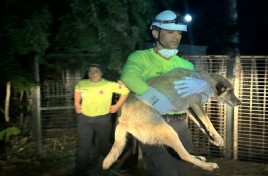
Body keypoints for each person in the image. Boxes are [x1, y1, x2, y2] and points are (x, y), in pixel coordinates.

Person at [120, 10, 210, 176]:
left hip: (181, 126)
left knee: (182, 171)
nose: (176, 36)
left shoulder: (186, 65)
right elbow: (128, 77)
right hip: (152, 124)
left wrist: (202, 88)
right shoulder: (140, 57)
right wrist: (155, 98)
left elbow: (194, 100)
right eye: (170, 32)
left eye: (179, 33)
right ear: (155, 32)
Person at [74, 64, 129, 176]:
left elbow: (125, 92)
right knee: (83, 147)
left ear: (101, 73)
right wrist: (76, 103)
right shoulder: (82, 83)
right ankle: (79, 171)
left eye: (96, 71)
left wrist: (117, 106)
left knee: (104, 145)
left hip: (103, 120)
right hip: (85, 120)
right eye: (90, 71)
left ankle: (110, 167)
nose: (93, 73)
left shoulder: (108, 85)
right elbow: (77, 91)